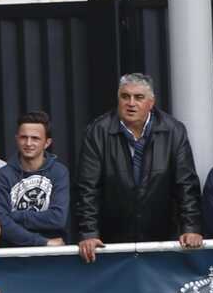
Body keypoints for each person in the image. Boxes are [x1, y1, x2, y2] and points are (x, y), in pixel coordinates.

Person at [72, 74, 205, 260]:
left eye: (139, 97)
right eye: (125, 96)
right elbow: (87, 188)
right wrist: (88, 233)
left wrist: (191, 227)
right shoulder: (98, 131)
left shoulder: (173, 131)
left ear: (151, 102)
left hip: (162, 238)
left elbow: (186, 184)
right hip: (110, 240)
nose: (131, 103)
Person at [0, 113, 71, 248]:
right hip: (14, 253)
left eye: (35, 138)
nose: (28, 143)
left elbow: (57, 219)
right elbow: (1, 223)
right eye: (23, 137)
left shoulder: (59, 172)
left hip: (52, 253)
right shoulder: (3, 175)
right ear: (17, 139)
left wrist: (15, 216)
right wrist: (42, 242)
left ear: (47, 143)